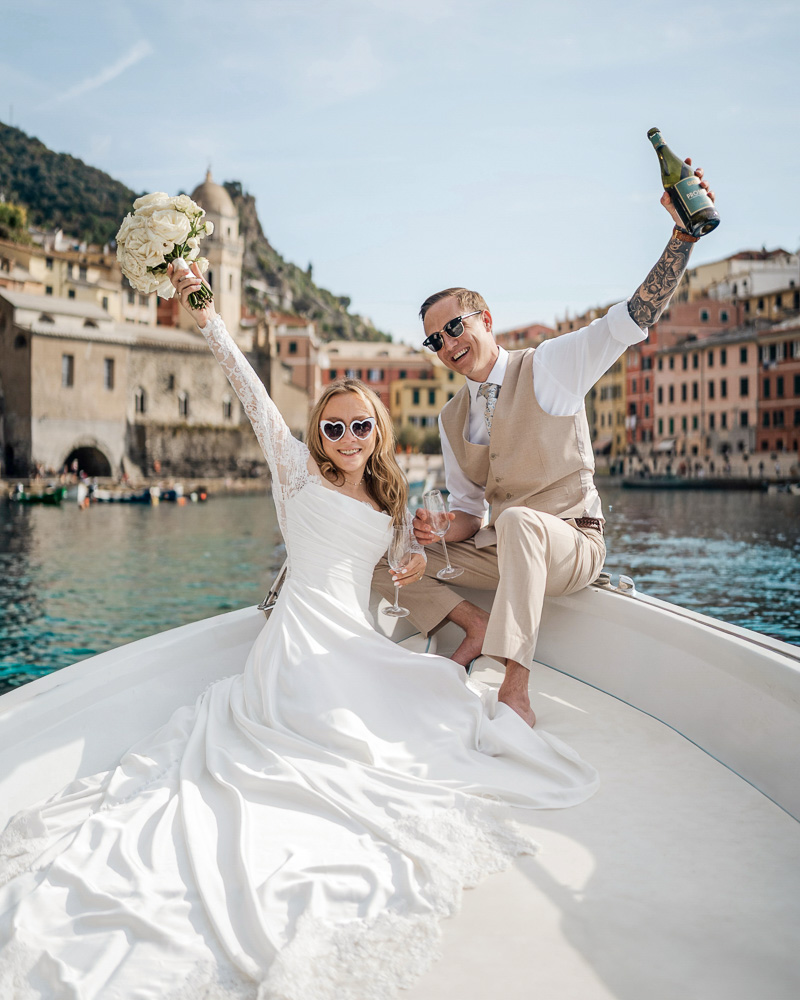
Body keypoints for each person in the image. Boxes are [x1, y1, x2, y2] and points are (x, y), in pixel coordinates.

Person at [0, 265, 598, 1000]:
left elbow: (400, 565)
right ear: (317, 433)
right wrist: (203, 310)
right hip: (299, 641)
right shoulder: (294, 471)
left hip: (356, 635)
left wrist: (412, 559)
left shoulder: (389, 494)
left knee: (430, 707)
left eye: (360, 426)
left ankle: (467, 638)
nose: (347, 437)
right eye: (334, 427)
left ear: (376, 431)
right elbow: (247, 385)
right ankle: (456, 646)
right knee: (345, 730)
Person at [374, 162, 715, 727]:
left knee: (520, 523)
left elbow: (635, 317)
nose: (446, 343)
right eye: (435, 339)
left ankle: (514, 685)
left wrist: (681, 238)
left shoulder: (551, 365)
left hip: (572, 546)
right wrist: (438, 530)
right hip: (504, 551)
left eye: (454, 327)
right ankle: (473, 627)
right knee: (385, 554)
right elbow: (465, 512)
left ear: (485, 319)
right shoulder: (450, 416)